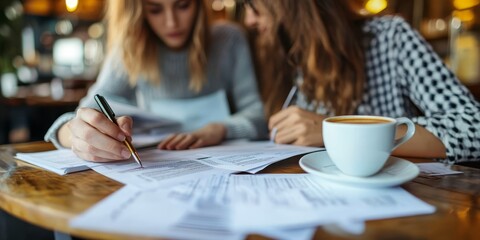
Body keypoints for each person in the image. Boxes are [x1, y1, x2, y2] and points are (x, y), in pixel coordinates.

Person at [243, 0, 480, 163]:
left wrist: (337, 130)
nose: (249, 20)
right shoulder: (292, 62)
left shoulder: (390, 38)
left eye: (254, 6)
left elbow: (474, 128)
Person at [45, 0, 267, 162]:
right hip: (164, 166)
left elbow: (257, 115)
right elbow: (88, 110)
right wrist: (72, 133)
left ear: (200, 5)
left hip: (231, 165)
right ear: (139, 11)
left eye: (183, 5)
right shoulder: (131, 48)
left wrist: (219, 130)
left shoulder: (230, 39)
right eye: (155, 9)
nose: (172, 23)